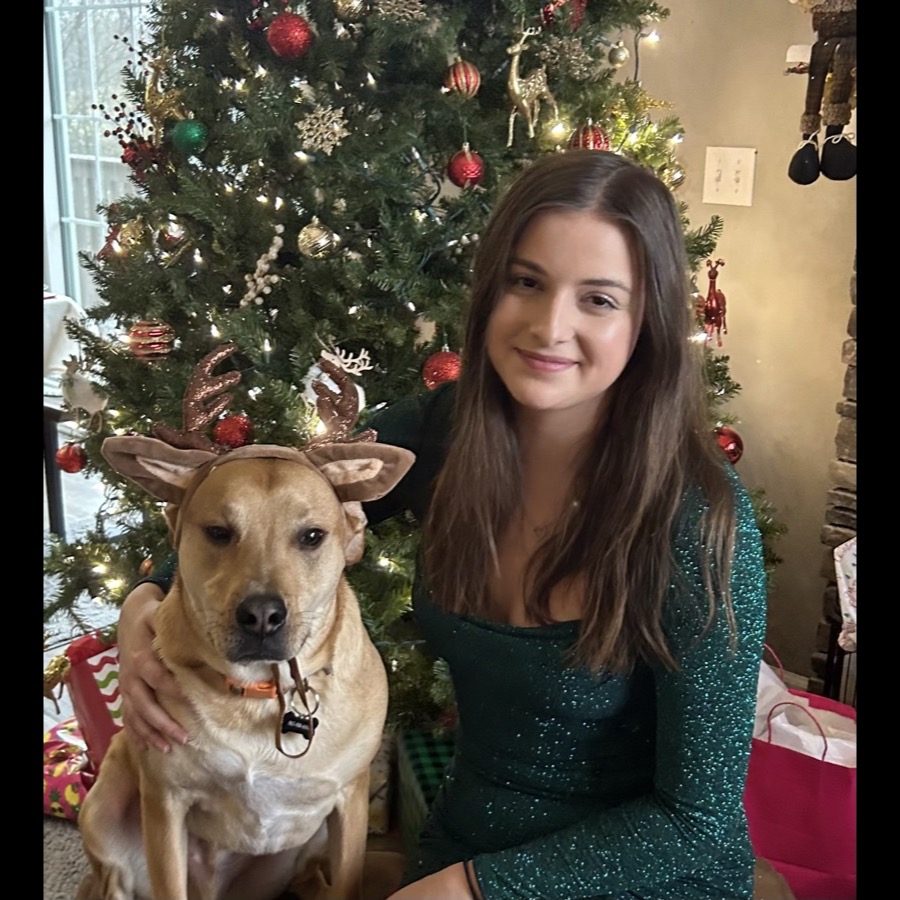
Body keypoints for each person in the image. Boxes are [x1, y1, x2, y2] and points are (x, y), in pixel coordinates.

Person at [114, 149, 768, 900]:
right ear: (490, 291)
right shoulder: (442, 433)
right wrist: (144, 606)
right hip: (468, 838)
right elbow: (267, 507)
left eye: (598, 299)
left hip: (640, 876)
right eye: (527, 282)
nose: (550, 326)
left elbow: (698, 820)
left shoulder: (698, 519)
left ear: (646, 320)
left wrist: (471, 889)